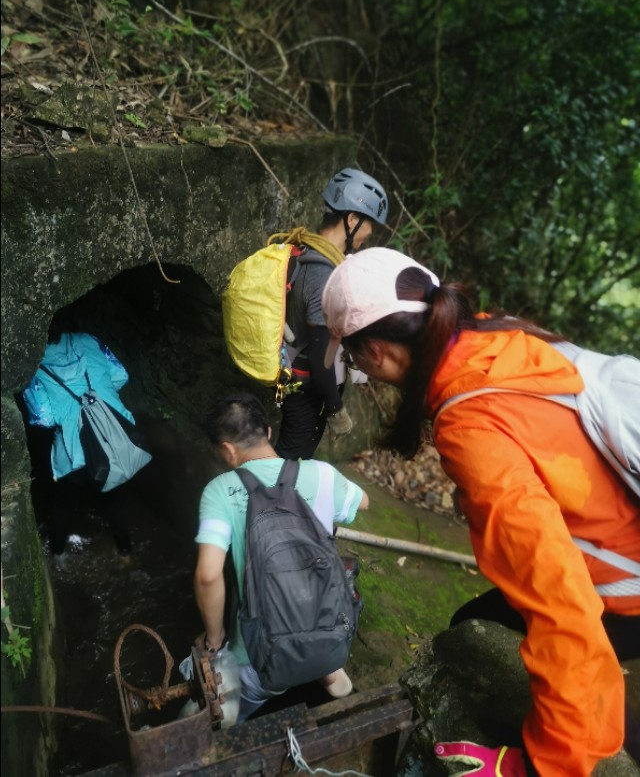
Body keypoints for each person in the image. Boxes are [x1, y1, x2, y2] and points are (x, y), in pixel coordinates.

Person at [321, 247, 640, 777]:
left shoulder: (471, 427)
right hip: (621, 528)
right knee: (474, 622)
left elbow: (563, 605)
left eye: (353, 357)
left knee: (512, 643)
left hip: (625, 583)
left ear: (374, 353)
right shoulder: (494, 337)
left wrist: (532, 768)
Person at [193, 391, 369, 724]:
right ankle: (328, 670)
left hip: (263, 660)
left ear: (227, 450)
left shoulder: (220, 491)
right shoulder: (322, 474)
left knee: (220, 715)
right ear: (269, 433)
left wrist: (214, 641)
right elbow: (363, 503)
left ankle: (230, 719)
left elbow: (208, 575)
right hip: (331, 632)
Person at [274, 167, 388, 460]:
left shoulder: (304, 249)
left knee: (285, 468)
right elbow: (320, 359)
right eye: (369, 223)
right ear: (351, 219)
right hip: (305, 393)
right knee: (287, 471)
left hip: (295, 381)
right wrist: (336, 408)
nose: (371, 231)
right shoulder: (323, 275)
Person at [23, 326, 138, 558]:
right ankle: (126, 554)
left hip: (73, 453)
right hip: (113, 438)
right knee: (113, 498)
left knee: (63, 503)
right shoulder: (90, 340)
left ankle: (58, 555)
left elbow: (43, 418)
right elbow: (121, 375)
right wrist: (99, 401)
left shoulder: (34, 362)